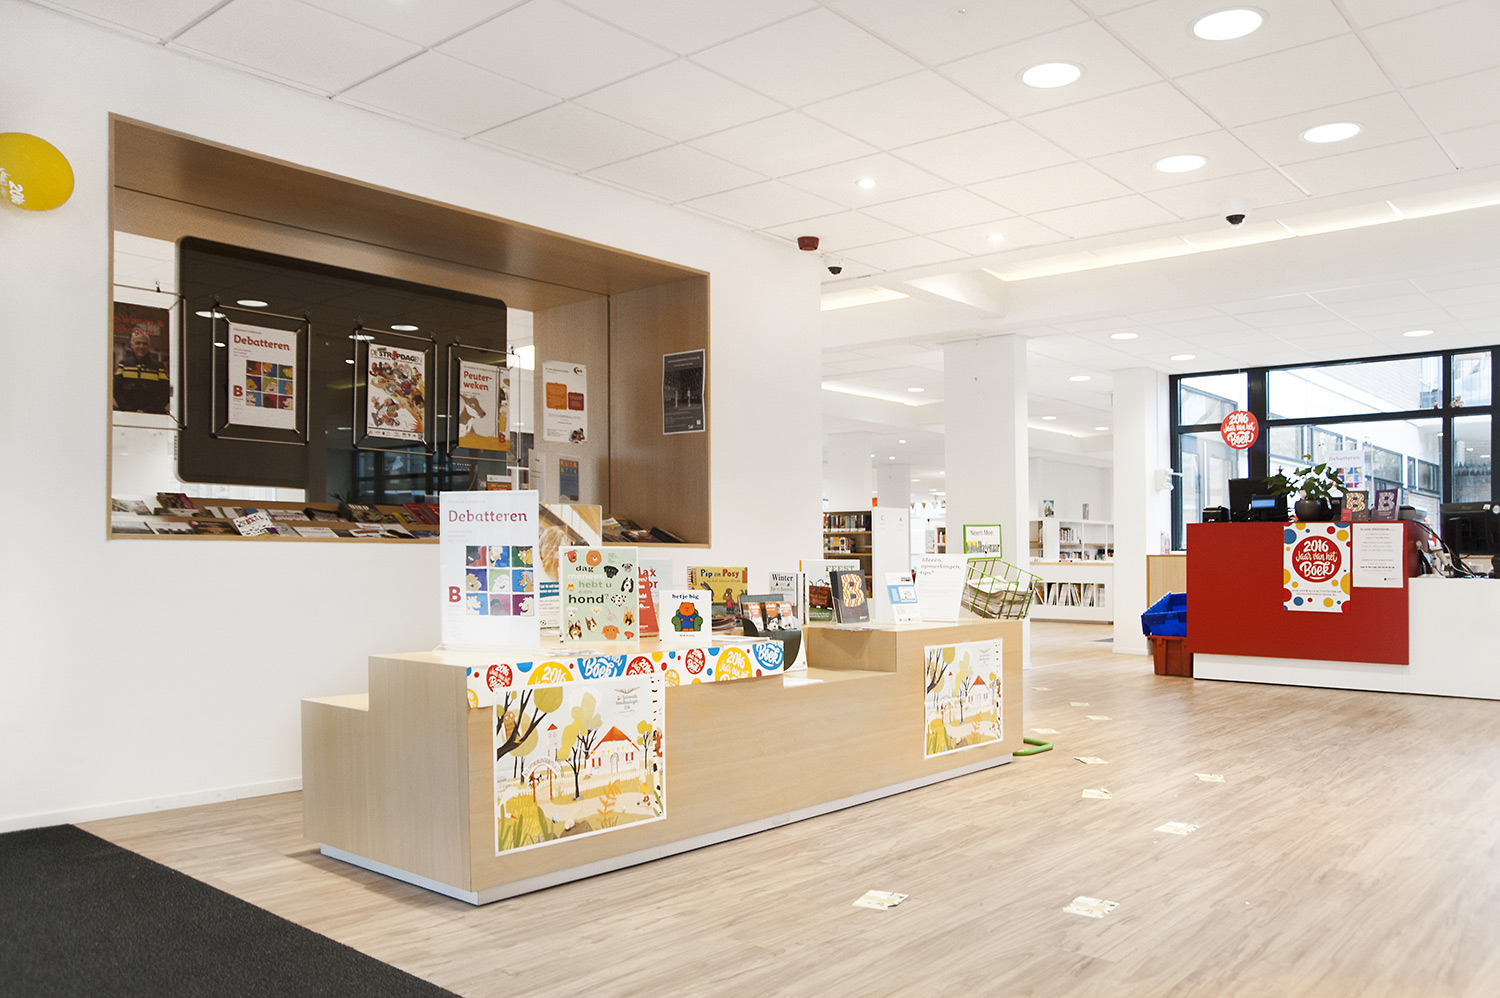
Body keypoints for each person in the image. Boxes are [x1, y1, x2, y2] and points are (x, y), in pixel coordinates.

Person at [113, 330, 170, 413]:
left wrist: (148, 411)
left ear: (149, 346)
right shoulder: (123, 365)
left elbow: (165, 393)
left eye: (145, 343)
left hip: (152, 414)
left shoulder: (159, 367)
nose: (141, 346)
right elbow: (116, 390)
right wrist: (130, 410)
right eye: (138, 343)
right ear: (132, 345)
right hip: (127, 413)